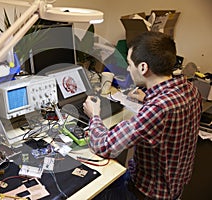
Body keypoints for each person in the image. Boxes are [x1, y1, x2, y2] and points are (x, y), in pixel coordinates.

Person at [83, 31, 202, 200]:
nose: (127, 68)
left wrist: (94, 114)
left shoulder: (159, 109)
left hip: (148, 193)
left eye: (130, 63)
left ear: (143, 67)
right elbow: (167, 107)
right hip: (175, 187)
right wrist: (146, 98)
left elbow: (104, 146)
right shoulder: (189, 89)